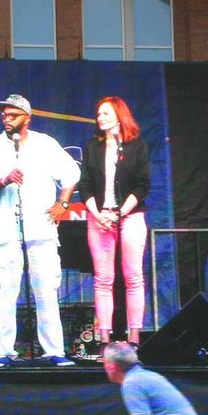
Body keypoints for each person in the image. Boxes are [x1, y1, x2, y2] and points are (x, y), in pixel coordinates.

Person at [0, 94, 80, 368]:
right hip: (5, 232)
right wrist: (4, 179)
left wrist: (62, 203)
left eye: (13, 115)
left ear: (27, 118)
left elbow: (71, 175)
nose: (6, 119)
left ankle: (55, 350)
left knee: (46, 291)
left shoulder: (45, 144)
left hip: (41, 231)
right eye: (4, 115)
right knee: (5, 293)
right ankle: (3, 352)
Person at [78, 96, 150, 348]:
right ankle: (105, 338)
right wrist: (98, 214)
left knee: (133, 276)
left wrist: (120, 213)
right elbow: (84, 185)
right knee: (103, 278)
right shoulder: (92, 147)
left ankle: (134, 336)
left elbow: (143, 185)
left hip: (130, 216)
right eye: (99, 114)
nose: (101, 118)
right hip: (99, 217)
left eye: (106, 114)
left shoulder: (136, 146)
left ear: (120, 115)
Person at [102, 342, 199, 415]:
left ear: (112, 366)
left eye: (105, 362)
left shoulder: (132, 383)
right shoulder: (145, 376)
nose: (104, 366)